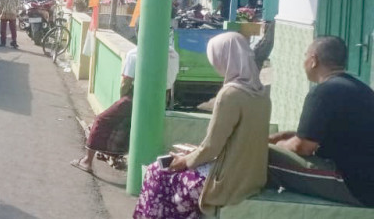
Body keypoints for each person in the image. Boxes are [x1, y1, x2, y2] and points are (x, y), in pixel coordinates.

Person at [134, 32, 271, 218]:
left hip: (226, 182)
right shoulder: (262, 94)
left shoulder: (230, 95)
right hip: (251, 179)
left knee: (156, 173)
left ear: (225, 58)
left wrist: (185, 160)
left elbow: (212, 147)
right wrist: (194, 154)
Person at [267, 36, 374, 207]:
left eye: (305, 56)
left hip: (354, 185)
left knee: (265, 157)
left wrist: (278, 145)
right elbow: (324, 134)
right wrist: (284, 136)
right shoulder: (361, 89)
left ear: (313, 60)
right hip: (366, 178)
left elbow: (303, 147)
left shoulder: (323, 92)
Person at [71, 32, 180, 173]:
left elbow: (125, 83)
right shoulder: (173, 55)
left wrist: (123, 99)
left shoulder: (135, 54)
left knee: (101, 120)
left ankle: (87, 161)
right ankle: (114, 156)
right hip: (161, 100)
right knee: (129, 128)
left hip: (138, 96)